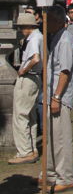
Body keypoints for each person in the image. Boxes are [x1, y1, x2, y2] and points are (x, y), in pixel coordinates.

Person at [37, 5, 73, 192]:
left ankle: (65, 176)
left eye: (50, 20)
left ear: (60, 21)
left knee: (60, 137)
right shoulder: (55, 38)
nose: (47, 24)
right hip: (50, 93)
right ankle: (50, 172)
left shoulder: (65, 40)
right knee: (50, 137)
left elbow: (65, 71)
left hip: (59, 95)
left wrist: (56, 97)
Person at [8, 13, 43, 165]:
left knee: (20, 115)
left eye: (22, 27)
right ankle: (31, 148)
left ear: (28, 26)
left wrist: (23, 70)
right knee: (30, 115)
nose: (21, 30)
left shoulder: (34, 38)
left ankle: (25, 151)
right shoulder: (39, 36)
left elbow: (36, 58)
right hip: (35, 78)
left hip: (28, 77)